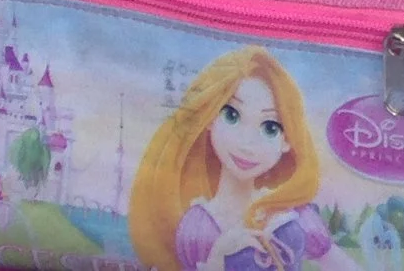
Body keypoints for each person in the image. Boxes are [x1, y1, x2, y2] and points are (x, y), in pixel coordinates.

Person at [127, 49, 333, 271]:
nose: (246, 144)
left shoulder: (288, 212)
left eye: (270, 128)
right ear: (209, 118)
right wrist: (217, 260)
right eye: (231, 116)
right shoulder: (199, 224)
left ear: (288, 140)